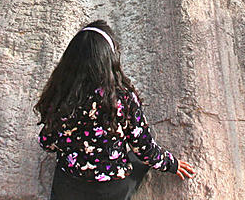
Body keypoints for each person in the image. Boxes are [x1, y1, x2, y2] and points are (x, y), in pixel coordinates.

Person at [35, 20, 195, 199]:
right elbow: (144, 149)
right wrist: (171, 164)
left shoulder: (61, 93)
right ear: (110, 58)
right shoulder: (122, 98)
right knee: (143, 153)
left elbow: (46, 143)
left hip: (69, 187)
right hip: (110, 190)